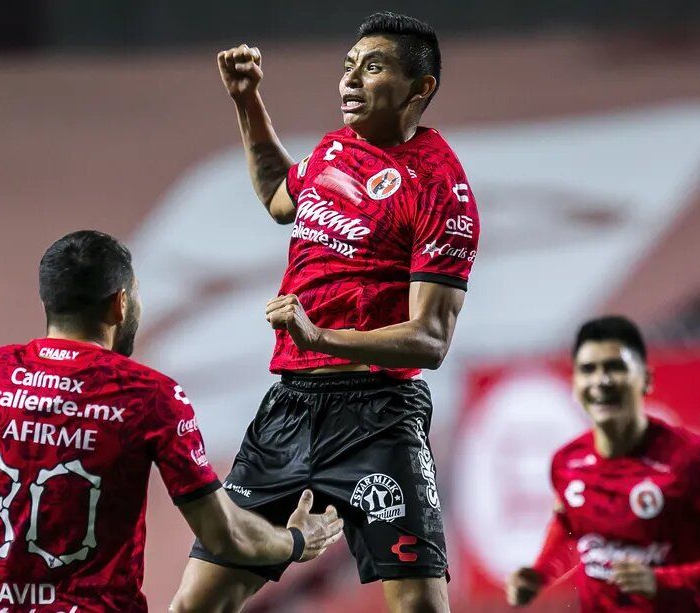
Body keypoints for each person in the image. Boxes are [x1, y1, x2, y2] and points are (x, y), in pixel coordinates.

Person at [172, 11, 480, 613]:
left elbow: (431, 340)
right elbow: (277, 195)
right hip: (289, 412)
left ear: (420, 89)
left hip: (378, 418)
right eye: (348, 66)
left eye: (374, 67)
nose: (351, 80)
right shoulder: (334, 149)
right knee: (195, 606)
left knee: (420, 606)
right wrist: (246, 100)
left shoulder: (441, 187)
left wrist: (320, 337)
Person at [0, 230, 343, 612]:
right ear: (120, 303)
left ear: (49, 301)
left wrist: (23, 513)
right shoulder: (149, 395)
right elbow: (225, 536)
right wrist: (298, 540)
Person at [505, 316, 700, 612]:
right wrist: (541, 573)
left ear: (646, 379)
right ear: (575, 384)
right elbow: (570, 527)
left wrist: (662, 582)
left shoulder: (689, 460)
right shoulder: (567, 462)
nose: (601, 381)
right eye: (588, 369)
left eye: (615, 367)